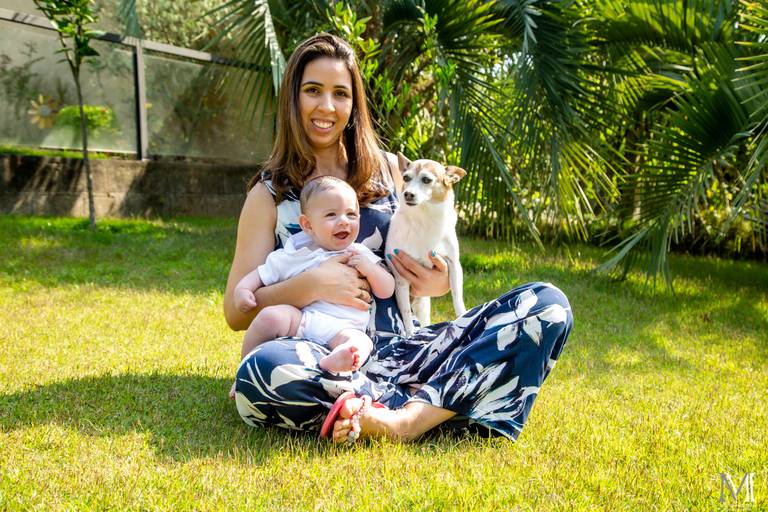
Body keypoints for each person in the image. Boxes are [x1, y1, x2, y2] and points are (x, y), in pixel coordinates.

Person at [225, 33, 573, 443]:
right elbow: (236, 312)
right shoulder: (268, 194)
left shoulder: (392, 170)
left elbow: (431, 251)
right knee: (263, 370)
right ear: (292, 98)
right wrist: (309, 285)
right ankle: (440, 405)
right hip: (327, 354)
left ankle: (399, 420)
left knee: (548, 306)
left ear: (355, 104)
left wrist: (437, 281)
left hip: (409, 349)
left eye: (341, 93)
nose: (327, 106)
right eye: (313, 90)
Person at [231, 175, 394, 383]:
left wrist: (370, 269)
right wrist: (243, 290)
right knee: (269, 317)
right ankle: (244, 373)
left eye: (351, 214)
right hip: (303, 320)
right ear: (307, 225)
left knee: (361, 342)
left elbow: (386, 290)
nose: (343, 221)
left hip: (344, 328)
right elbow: (261, 274)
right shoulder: (294, 253)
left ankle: (338, 360)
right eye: (331, 215)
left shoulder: (358, 253)